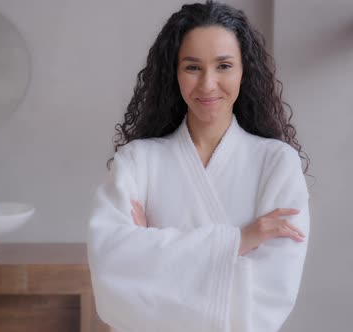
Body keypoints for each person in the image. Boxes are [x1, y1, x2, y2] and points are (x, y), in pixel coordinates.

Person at [87, 1, 310, 331]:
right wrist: (239, 242)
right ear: (173, 73)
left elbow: (270, 298)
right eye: (192, 67)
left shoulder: (276, 163)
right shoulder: (137, 161)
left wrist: (151, 254)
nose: (207, 84)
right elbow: (110, 274)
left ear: (243, 70)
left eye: (223, 66)